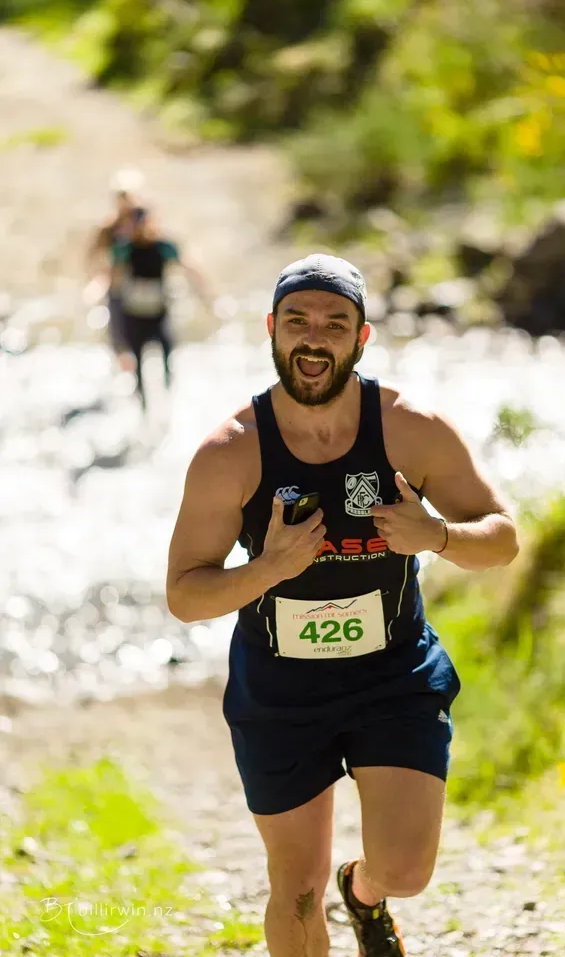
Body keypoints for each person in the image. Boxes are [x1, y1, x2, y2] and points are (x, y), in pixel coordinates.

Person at [166, 254, 519, 957]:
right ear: (271, 329)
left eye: (335, 324)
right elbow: (184, 594)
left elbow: (502, 539)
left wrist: (438, 535)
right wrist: (268, 569)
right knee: (296, 887)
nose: (313, 338)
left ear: (361, 339)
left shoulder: (411, 430)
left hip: (391, 674)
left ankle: (364, 891)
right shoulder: (230, 453)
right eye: (297, 321)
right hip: (281, 687)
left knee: (408, 871)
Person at [110, 207, 209, 410]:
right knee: (137, 362)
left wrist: (206, 294)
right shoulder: (125, 249)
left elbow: (189, 267)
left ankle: (169, 403)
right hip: (134, 315)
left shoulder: (163, 247)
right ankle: (142, 406)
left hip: (158, 313)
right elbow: (113, 277)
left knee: (167, 355)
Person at [85, 168, 146, 371]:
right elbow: (94, 256)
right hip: (119, 288)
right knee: (119, 338)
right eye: (121, 197)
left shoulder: (146, 222)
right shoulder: (109, 227)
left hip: (144, 287)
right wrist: (97, 281)